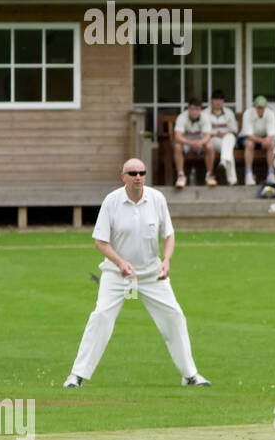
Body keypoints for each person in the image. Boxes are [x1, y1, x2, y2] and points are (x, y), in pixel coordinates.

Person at [64, 159, 210, 388]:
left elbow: (169, 235)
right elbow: (100, 242)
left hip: (152, 273)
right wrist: (120, 262)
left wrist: (167, 261)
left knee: (174, 316)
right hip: (116, 273)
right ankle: (76, 376)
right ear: (123, 176)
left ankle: (190, 375)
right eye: (132, 173)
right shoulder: (111, 201)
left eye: (142, 172)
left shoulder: (157, 199)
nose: (138, 177)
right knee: (101, 316)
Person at [203, 89, 239, 186]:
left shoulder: (229, 112)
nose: (218, 102)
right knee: (228, 150)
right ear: (211, 101)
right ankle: (232, 180)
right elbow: (203, 130)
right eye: (216, 99)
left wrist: (225, 133)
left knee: (230, 138)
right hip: (213, 139)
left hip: (227, 138)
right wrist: (213, 134)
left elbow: (234, 129)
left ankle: (223, 161)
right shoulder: (205, 113)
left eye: (220, 99)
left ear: (223, 101)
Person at [241, 95, 275, 186]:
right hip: (246, 138)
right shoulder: (248, 113)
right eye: (258, 107)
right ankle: (248, 174)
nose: (260, 109)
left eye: (262, 107)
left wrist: (266, 140)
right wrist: (262, 140)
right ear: (254, 106)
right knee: (250, 144)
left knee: (272, 144)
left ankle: (271, 174)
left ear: (266, 106)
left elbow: (271, 133)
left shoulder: (270, 113)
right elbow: (248, 135)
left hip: (263, 138)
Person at [172, 97, 209, 189]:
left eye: (196, 109)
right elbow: (177, 136)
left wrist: (201, 142)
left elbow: (208, 136)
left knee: (210, 147)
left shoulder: (205, 117)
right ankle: (181, 176)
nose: (194, 112)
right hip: (186, 142)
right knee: (177, 147)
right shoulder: (182, 117)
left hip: (200, 142)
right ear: (188, 109)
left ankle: (209, 175)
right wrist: (191, 143)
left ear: (200, 110)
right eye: (192, 109)